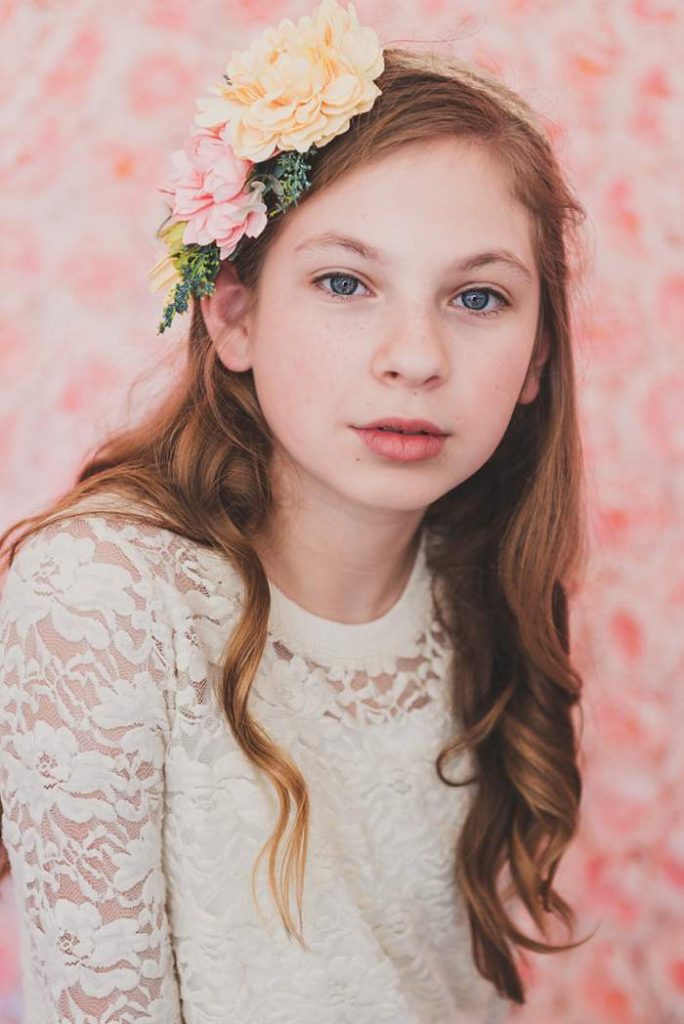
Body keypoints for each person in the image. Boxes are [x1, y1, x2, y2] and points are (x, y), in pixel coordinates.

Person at [0, 1, 593, 1021]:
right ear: (234, 312)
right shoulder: (99, 596)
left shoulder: (484, 586)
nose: (414, 356)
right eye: (344, 281)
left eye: (479, 298)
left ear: (539, 354)